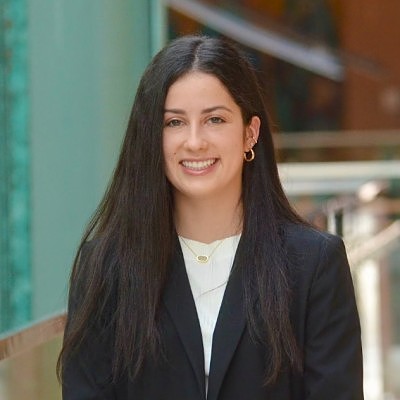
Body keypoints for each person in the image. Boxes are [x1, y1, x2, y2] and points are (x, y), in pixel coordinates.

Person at [58, 35, 363, 399]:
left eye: (214, 119)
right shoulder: (106, 268)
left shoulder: (315, 265)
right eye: (174, 122)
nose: (195, 141)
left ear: (250, 133)